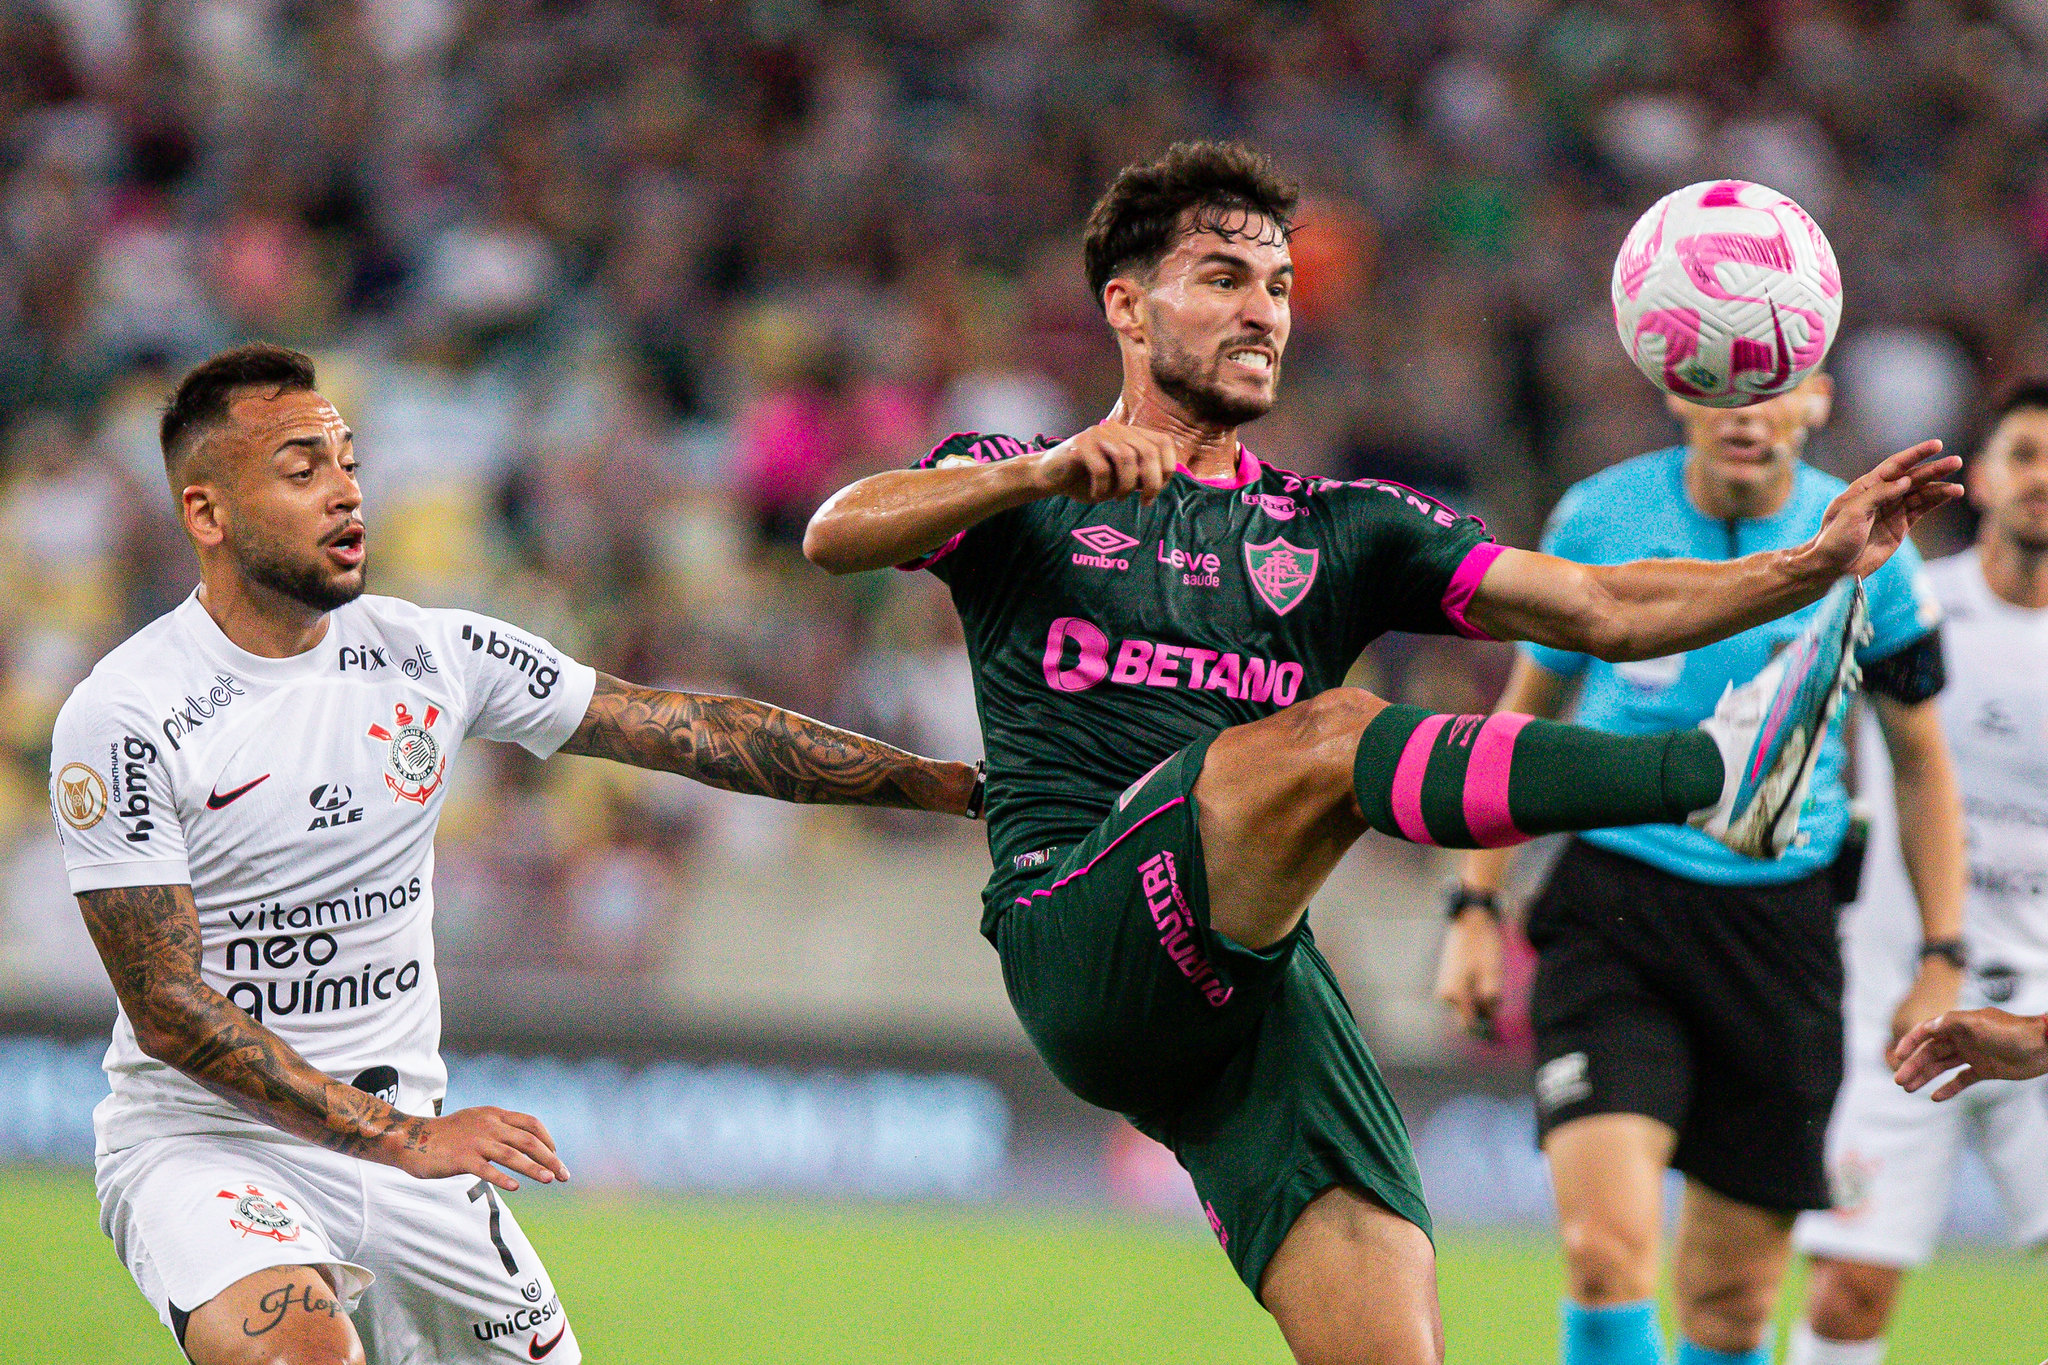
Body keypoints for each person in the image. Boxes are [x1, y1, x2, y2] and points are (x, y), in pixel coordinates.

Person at [802, 140, 1959, 1365]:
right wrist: (1036, 472)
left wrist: (1804, 567)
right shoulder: (1017, 483)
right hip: (1076, 926)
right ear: (1127, 309)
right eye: (1223, 278)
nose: (1264, 311)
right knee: (1325, 738)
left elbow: (1602, 610)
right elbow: (837, 533)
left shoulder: (1345, 528)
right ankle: (1709, 772)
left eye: (1281, 287)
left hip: (1250, 987)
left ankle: (1716, 765)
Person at [49, 343, 981, 1365]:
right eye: (301, 470)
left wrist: (943, 785)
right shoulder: (128, 712)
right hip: (211, 1142)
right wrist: (403, 1138)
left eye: (348, 461)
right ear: (207, 514)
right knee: (298, 1354)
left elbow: (685, 728)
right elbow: (170, 1008)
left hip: (409, 1154)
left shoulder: (432, 656)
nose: (345, 491)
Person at [1433, 375, 1965, 1365]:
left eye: (1773, 385)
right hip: (1611, 909)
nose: (1745, 409)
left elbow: (1919, 763)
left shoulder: (1869, 547)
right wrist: (1471, 901)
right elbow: (1515, 723)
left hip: (1781, 930)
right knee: (1602, 1254)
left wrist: (1940, 950)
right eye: (1719, 381)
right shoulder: (1597, 518)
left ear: (1816, 401)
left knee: (1727, 1304)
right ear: (1678, 392)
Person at [1788, 383, 2048, 1365]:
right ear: (1978, 477)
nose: (2038, 479)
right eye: (2020, 454)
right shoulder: (1905, 605)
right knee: (1848, 1291)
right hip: (1895, 1003)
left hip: (2037, 1020)